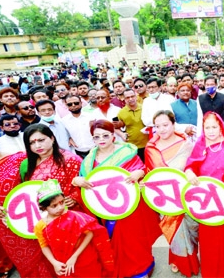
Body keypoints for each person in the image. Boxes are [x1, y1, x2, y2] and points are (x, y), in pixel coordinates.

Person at [75, 120, 161, 277]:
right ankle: (114, 268)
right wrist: (77, 180)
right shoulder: (88, 159)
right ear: (92, 139)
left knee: (133, 240)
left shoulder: (126, 153)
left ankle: (140, 270)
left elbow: (141, 169)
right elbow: (83, 179)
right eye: (96, 137)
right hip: (102, 208)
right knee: (109, 241)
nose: (101, 139)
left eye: (105, 135)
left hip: (128, 206)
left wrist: (139, 173)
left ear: (113, 136)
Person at [184, 112, 224, 278]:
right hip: (206, 201)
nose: (210, 131)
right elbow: (190, 166)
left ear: (221, 127)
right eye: (207, 127)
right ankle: (210, 272)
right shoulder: (200, 146)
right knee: (209, 238)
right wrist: (189, 173)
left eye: (214, 127)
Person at [144, 110, 199, 277]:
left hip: (186, 196)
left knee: (191, 231)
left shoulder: (186, 145)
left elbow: (194, 166)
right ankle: (178, 259)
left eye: (165, 125)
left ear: (173, 124)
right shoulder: (150, 148)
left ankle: (191, 259)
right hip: (165, 198)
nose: (161, 129)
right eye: (157, 126)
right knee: (174, 232)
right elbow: (149, 172)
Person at [0, 137, 55, 278]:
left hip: (35, 215)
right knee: (27, 261)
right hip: (5, 225)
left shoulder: (19, 159)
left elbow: (42, 178)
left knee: (51, 251)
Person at [34, 179, 114, 278]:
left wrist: (74, 256)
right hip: (63, 263)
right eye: (54, 206)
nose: (60, 207)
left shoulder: (75, 217)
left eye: (62, 202)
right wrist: (54, 263)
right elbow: (44, 245)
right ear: (43, 208)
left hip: (85, 259)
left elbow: (90, 234)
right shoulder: (40, 226)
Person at [22, 123, 85, 212]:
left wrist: (74, 197)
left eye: (41, 140)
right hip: (43, 213)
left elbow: (85, 183)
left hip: (70, 210)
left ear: (52, 139)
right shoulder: (26, 164)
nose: (37, 146)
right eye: (32, 143)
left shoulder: (71, 159)